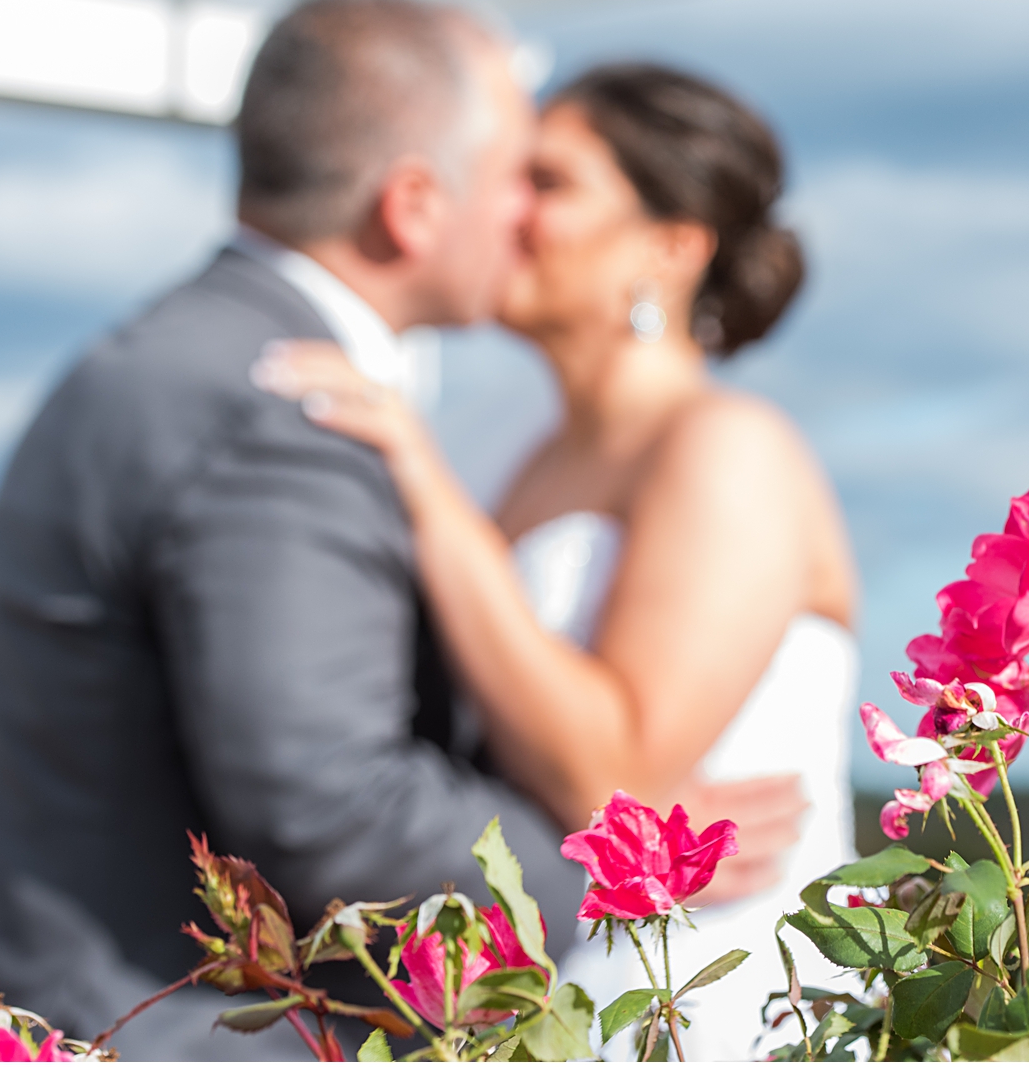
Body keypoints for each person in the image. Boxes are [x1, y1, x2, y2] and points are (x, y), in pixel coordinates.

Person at [0, 0, 806, 1059]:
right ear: (413, 205)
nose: (519, 212)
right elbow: (326, 802)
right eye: (512, 172)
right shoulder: (283, 408)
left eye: (548, 181)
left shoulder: (203, 366)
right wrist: (621, 867)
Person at [253, 62, 861, 1059]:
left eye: (549, 182)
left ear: (669, 245)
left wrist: (426, 492)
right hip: (534, 995)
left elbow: (612, 772)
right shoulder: (499, 445)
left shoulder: (726, 446)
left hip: (705, 998)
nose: (503, 207)